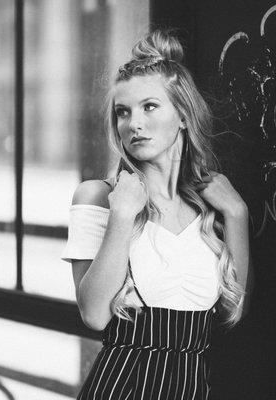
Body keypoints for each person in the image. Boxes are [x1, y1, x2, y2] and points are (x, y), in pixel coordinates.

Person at [61, 29, 251, 400]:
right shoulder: (99, 195)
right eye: (122, 112)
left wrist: (237, 213)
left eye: (149, 107)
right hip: (122, 386)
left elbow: (235, 309)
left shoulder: (210, 206)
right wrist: (122, 217)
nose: (134, 123)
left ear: (182, 115)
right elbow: (95, 314)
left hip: (192, 386)